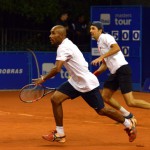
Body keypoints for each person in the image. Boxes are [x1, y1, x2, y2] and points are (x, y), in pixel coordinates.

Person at [33, 25, 137, 143]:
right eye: (50, 33)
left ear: (61, 35)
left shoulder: (64, 47)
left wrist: (43, 78)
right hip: (75, 82)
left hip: (86, 84)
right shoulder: (66, 44)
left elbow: (57, 69)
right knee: (55, 99)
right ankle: (60, 134)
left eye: (53, 33)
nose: (50, 36)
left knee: (102, 110)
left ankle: (128, 124)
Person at [90, 21, 150, 122]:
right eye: (90, 28)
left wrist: (101, 57)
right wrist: (94, 74)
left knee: (130, 102)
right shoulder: (99, 43)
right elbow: (105, 65)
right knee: (105, 96)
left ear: (100, 30)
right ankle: (127, 115)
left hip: (122, 69)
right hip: (115, 73)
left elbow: (117, 48)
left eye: (93, 28)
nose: (91, 31)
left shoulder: (105, 37)